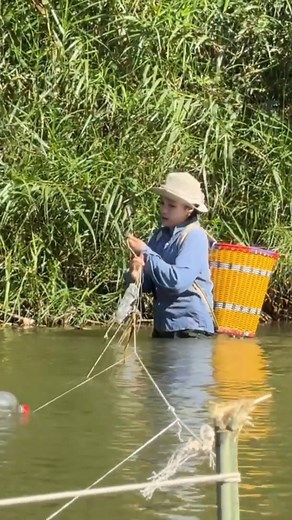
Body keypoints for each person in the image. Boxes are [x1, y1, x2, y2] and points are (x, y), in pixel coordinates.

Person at [127, 171, 215, 338]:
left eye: (172, 206)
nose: (164, 210)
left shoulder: (194, 236)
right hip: (164, 328)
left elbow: (177, 281)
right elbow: (148, 285)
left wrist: (145, 251)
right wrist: (136, 274)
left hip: (191, 330)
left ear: (189, 209)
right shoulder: (159, 237)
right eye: (162, 203)